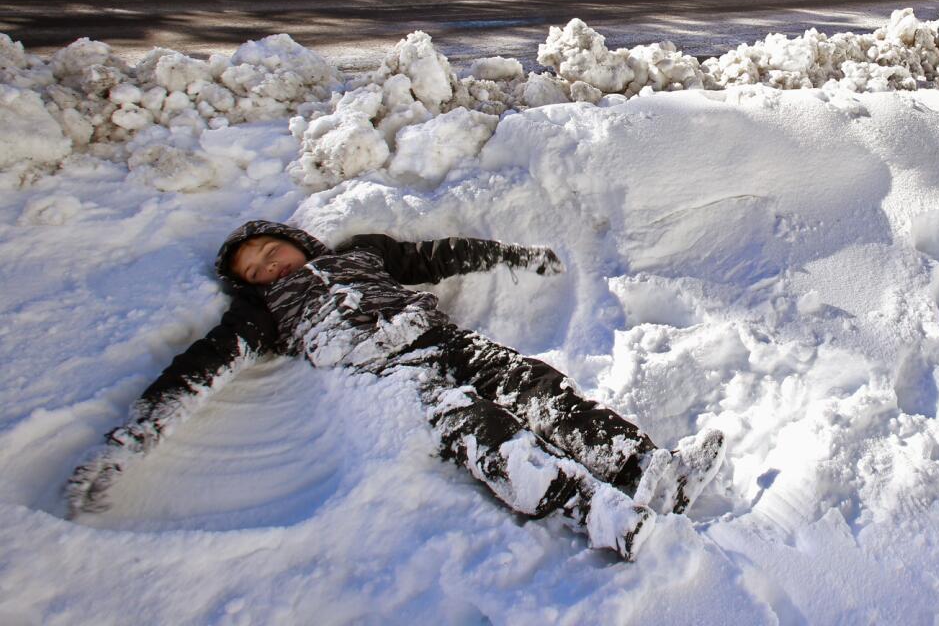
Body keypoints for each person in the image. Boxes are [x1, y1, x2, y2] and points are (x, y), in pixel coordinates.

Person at [65, 220, 726, 560]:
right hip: (399, 380)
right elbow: (195, 370)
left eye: (269, 251)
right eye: (255, 271)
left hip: (446, 341)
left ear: (294, 240)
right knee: (488, 439)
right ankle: (605, 519)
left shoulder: (362, 251)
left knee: (538, 388)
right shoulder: (262, 316)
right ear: (252, 287)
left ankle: (650, 470)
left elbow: (435, 255)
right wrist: (129, 442)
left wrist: (511, 255)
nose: (268, 267)